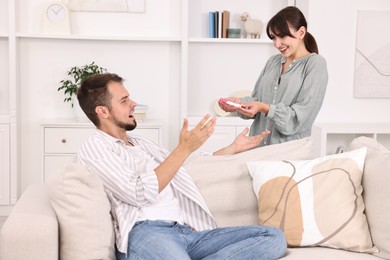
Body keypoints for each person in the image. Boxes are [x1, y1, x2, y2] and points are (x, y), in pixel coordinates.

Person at [76, 73, 287, 260]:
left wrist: (231, 148)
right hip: (147, 233)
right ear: (103, 111)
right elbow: (138, 193)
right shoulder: (95, 146)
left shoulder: (141, 144)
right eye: (124, 100)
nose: (133, 103)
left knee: (273, 237)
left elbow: (181, 168)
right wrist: (183, 148)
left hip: (188, 232)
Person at [219, 6, 328, 147]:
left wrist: (264, 108)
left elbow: (299, 119)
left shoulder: (315, 64)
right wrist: (239, 104)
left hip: (287, 155)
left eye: (282, 36)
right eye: (273, 37)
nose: (277, 44)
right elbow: (257, 100)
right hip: (256, 149)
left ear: (301, 32)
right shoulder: (273, 62)